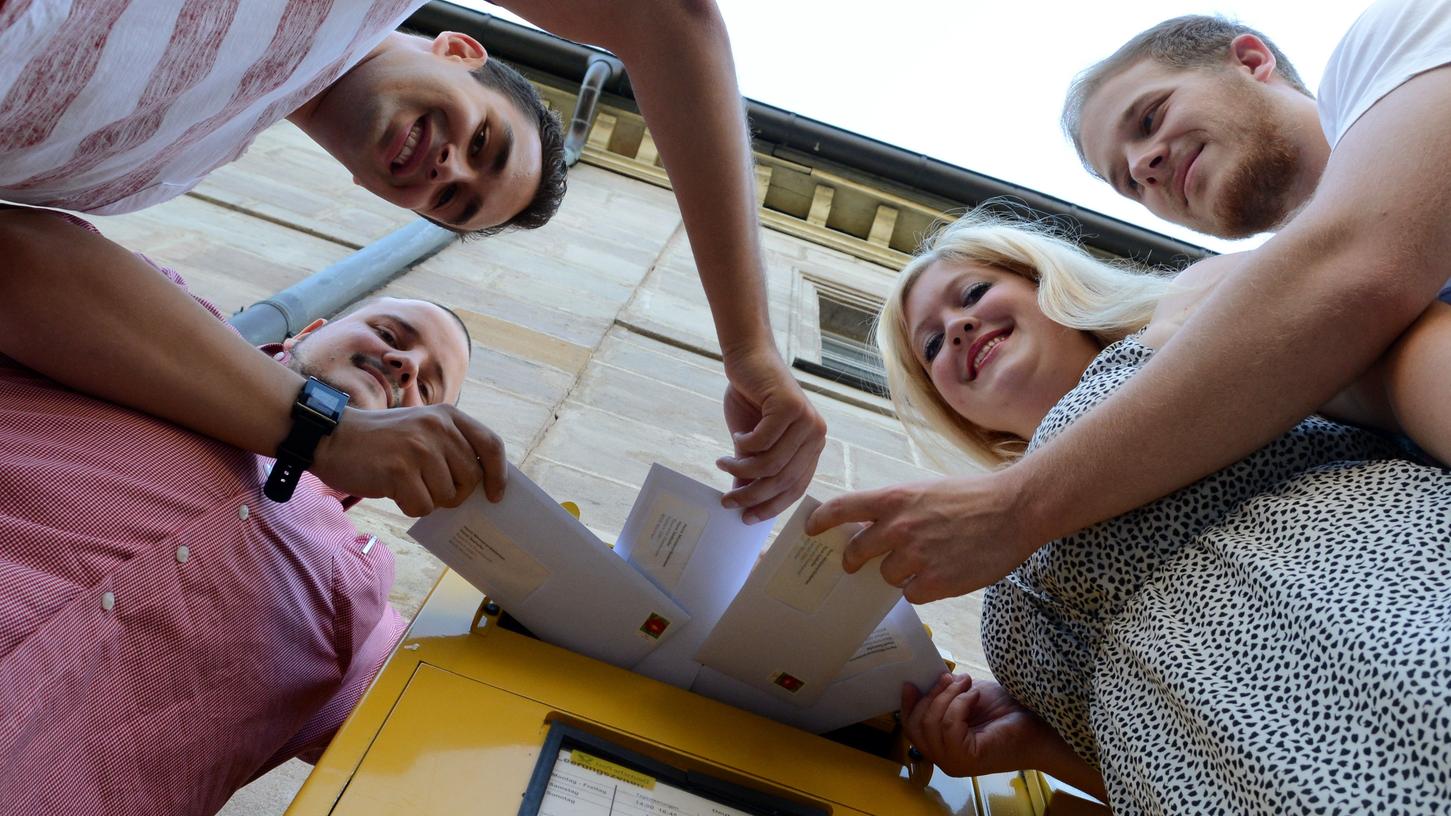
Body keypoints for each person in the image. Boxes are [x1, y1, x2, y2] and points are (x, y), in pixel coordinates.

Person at [0, 0, 825, 524]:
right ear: (458, 50)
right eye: (484, 141)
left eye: (451, 204)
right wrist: (750, 349)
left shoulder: (148, 173)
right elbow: (664, 17)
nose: (451, 171)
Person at [807, 0, 1451, 602]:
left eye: (1149, 119)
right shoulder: (1254, 313)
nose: (1144, 165)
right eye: (1127, 179)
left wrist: (1018, 505)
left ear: (1252, 61)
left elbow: (1351, 282)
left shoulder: (1394, 43)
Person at [879, 211, 1451, 814]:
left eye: (972, 293)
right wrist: (1037, 744)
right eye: (934, 344)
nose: (960, 327)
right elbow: (1146, 759)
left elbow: (1411, 360)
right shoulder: (1000, 574)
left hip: (1398, 643)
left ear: (1044, 281)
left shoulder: (1193, 310)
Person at [0, 212, 480, 815]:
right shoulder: (152, 322)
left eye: (428, 390)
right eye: (389, 330)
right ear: (310, 330)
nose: (404, 363)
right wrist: (317, 424)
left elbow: (446, 735)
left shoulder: (362, 614)